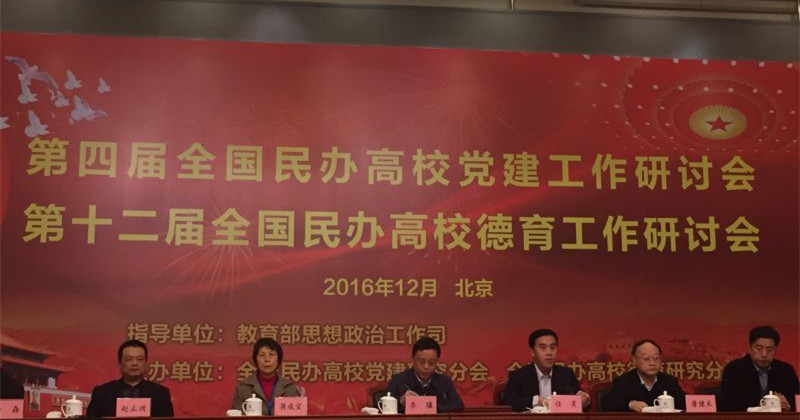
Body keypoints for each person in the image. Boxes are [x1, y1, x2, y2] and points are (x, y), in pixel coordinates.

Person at [506, 329, 590, 412]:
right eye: (543, 348)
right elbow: (511, 403)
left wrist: (585, 399)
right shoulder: (519, 376)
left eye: (552, 347)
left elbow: (583, 403)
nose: (549, 352)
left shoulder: (566, 374)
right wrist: (537, 400)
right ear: (532, 352)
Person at [719, 325, 798, 412]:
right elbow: (727, 405)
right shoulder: (734, 370)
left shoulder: (786, 371)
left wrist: (788, 406)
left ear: (775, 350)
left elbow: (796, 402)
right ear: (750, 348)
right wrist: (763, 406)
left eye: (769, 349)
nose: (764, 354)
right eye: (759, 348)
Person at [86, 339, 174, 417]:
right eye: (129, 359)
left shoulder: (160, 394)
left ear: (146, 362)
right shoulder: (102, 393)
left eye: (140, 359)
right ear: (120, 363)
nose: (134, 363)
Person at [385, 337, 464, 413]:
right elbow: (383, 405)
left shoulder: (444, 382)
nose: (426, 367)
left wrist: (431, 406)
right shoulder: (399, 380)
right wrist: (401, 401)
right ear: (413, 359)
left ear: (437, 361)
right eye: (421, 362)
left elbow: (458, 406)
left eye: (431, 363)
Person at [604, 339, 686, 412]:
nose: (652, 363)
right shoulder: (623, 382)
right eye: (646, 358)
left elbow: (684, 404)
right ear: (634, 360)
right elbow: (609, 405)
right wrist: (630, 404)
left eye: (656, 358)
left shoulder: (669, 381)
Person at [232, 338, 299, 415]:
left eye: (271, 355)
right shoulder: (243, 387)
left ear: (278, 360)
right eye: (262, 355)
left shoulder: (289, 388)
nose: (267, 359)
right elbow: (236, 415)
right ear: (255, 359)